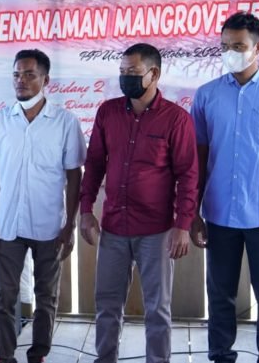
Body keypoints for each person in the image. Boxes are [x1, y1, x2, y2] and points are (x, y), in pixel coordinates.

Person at [190, 12, 259, 363]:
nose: (231, 53)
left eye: (239, 46)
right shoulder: (206, 96)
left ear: (258, 48)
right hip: (219, 213)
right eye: (225, 46)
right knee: (220, 295)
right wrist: (193, 212)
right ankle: (221, 355)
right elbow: (198, 160)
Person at [79, 43, 198, 363]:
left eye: (132, 72)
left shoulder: (177, 119)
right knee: (107, 305)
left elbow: (188, 176)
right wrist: (86, 209)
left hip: (157, 231)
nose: (125, 78)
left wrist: (183, 225)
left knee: (157, 309)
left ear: (153, 74)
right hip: (114, 227)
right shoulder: (108, 112)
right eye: (122, 72)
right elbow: (94, 163)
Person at [0, 49, 85, 363]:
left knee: (46, 296)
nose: (21, 80)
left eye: (29, 74)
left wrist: (69, 225)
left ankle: (38, 354)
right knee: (3, 296)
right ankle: (4, 355)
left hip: (49, 224)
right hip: (8, 224)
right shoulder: (0, 120)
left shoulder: (65, 122)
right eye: (16, 74)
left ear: (45, 79)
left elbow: (74, 175)